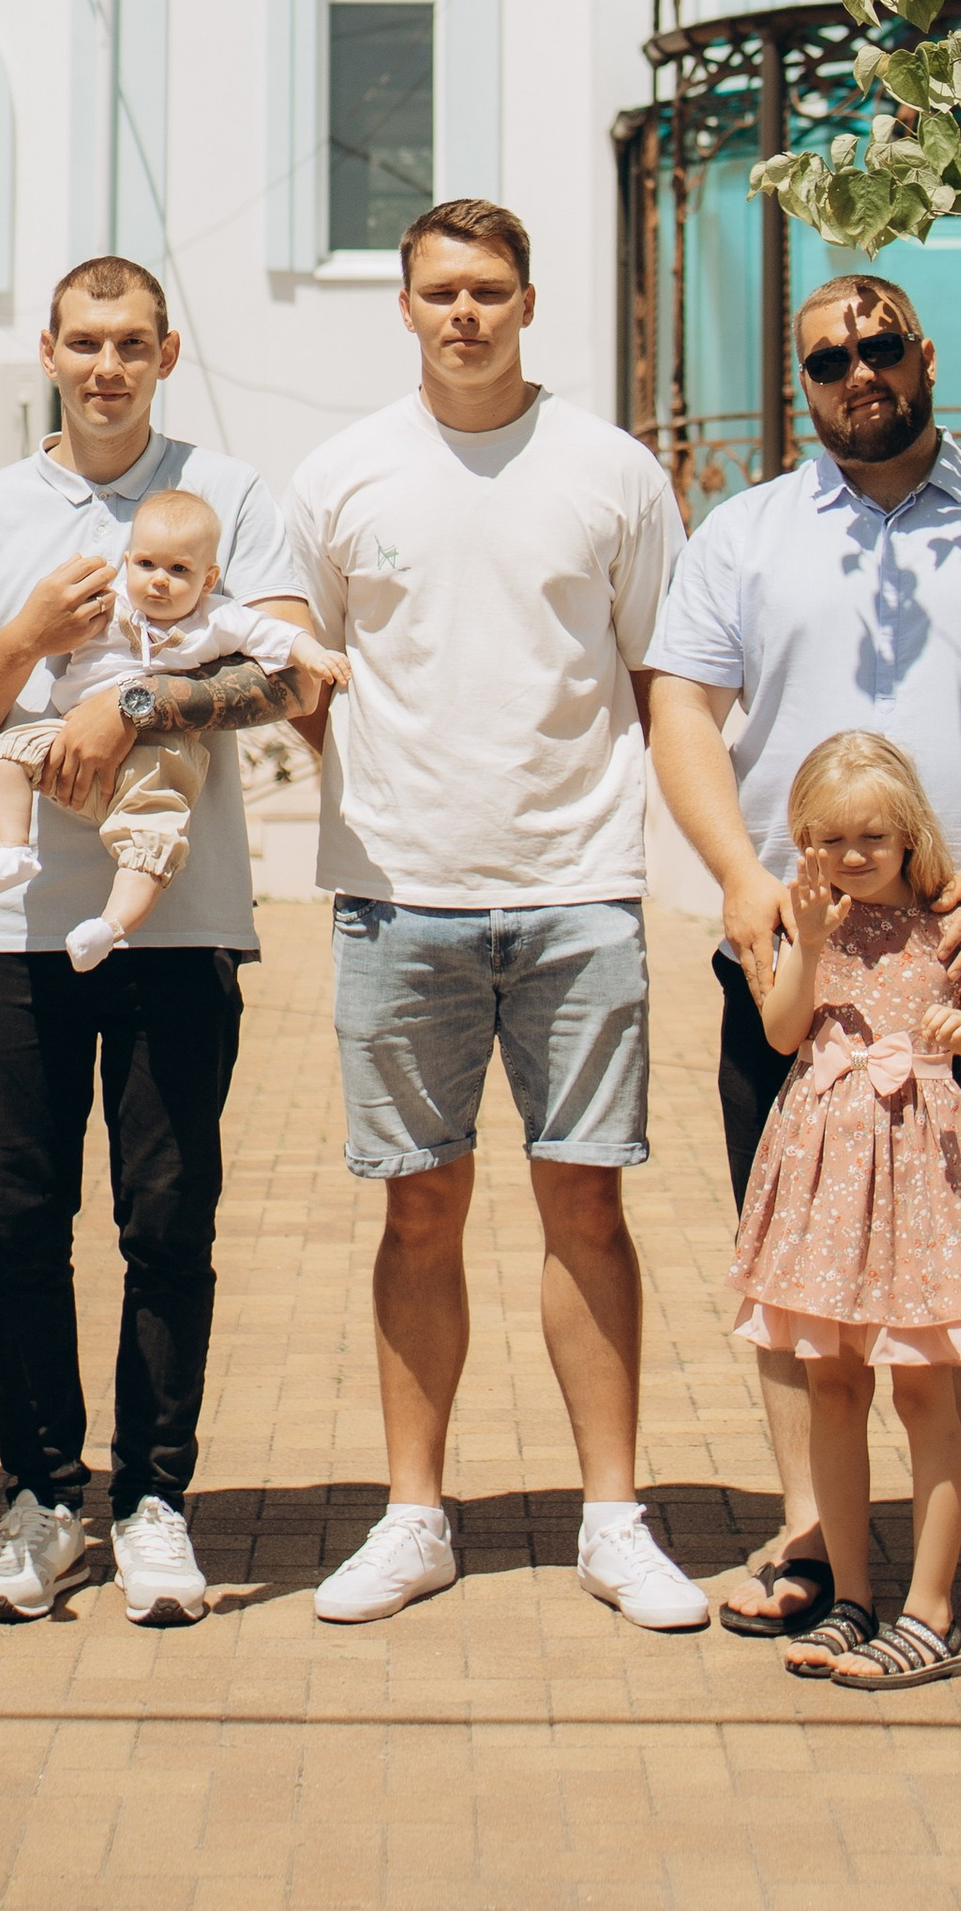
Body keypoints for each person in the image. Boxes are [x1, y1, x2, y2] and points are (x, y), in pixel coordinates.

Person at [646, 269, 961, 1654]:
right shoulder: (744, 534)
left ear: (924, 356)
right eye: (828, 361)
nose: (858, 373)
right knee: (798, 1269)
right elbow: (681, 707)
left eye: (880, 347)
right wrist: (744, 882)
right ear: (802, 382)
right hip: (794, 968)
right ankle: (820, 1548)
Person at [287, 198, 706, 1635]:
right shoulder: (345, 474)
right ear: (403, 307)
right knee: (421, 1208)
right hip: (397, 893)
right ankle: (416, 1517)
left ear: (530, 302)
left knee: (587, 1201)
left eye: (489, 291)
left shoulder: (613, 473)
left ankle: (614, 1516)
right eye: (440, 292)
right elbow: (292, 638)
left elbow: (665, 681)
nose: (465, 314)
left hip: (579, 887)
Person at [0, 256, 314, 1630]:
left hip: (176, 920)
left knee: (167, 1218)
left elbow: (283, 675)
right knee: (21, 1221)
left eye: (132, 343)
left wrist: (133, 702)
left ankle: (151, 1501)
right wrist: (25, 641)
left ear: (168, 350)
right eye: (84, 343)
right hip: (14, 929)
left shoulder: (229, 493)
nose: (107, 366)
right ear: (50, 350)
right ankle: (39, 1495)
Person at [728, 733, 961, 1693]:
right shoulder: (805, 922)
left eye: (873, 837)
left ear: (908, 835)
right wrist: (805, 947)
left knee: (925, 1387)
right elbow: (779, 1035)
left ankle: (930, 1612)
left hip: (919, 1185)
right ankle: (854, 1596)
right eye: (830, 838)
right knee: (832, 1382)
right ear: (802, 840)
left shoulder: (949, 925)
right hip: (823, 1179)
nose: (852, 856)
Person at [0, 482, 348, 971]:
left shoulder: (214, 620)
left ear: (208, 580)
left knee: (150, 846)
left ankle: (109, 927)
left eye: (179, 570)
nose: (160, 581)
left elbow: (276, 634)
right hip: (70, 741)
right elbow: (48, 634)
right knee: (8, 754)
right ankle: (12, 848)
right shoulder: (106, 608)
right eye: (147, 565)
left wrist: (315, 654)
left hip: (156, 762)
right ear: (127, 562)